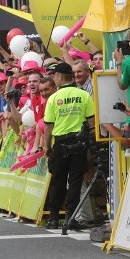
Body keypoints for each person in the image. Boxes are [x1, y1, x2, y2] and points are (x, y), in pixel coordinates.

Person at [41, 62, 95, 230]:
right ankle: (71, 217)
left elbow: (48, 126)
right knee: (75, 181)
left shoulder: (53, 98)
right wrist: (92, 142)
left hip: (60, 143)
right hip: (79, 144)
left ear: (60, 76)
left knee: (57, 181)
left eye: (54, 75)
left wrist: (46, 146)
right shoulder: (84, 95)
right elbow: (91, 121)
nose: (53, 78)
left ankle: (53, 218)